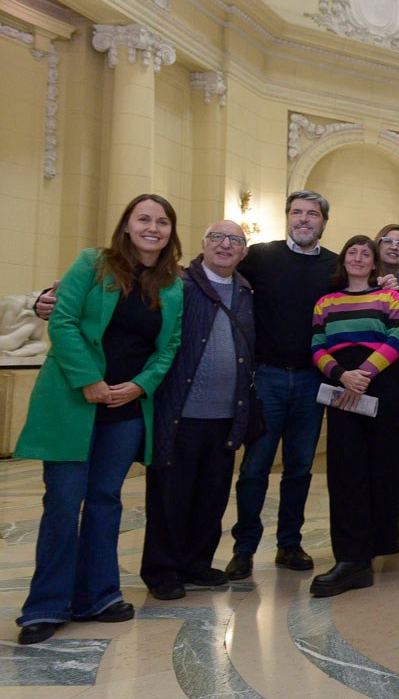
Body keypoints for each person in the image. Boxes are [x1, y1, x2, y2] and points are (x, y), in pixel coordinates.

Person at [15, 194, 184, 645]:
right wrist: (89, 380)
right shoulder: (94, 263)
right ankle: (45, 606)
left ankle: (99, 595)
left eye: (162, 221)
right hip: (75, 401)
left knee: (107, 501)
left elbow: (168, 348)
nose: (153, 227)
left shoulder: (172, 284)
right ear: (126, 226)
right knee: (64, 504)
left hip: (125, 408)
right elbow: (64, 320)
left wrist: (140, 385)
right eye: (144, 219)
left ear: (171, 231)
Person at [225, 191, 338, 580]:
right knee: (255, 467)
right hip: (267, 378)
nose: (303, 219)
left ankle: (289, 544)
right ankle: (244, 548)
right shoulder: (260, 255)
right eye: (296, 212)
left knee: (300, 468)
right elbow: (215, 273)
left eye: (312, 214)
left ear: (324, 222)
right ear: (287, 218)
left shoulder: (335, 265)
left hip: (312, 380)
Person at [140, 221, 254, 602]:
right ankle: (163, 570)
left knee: (212, 493)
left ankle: (196, 563)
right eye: (217, 238)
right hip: (181, 411)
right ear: (202, 244)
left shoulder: (246, 290)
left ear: (244, 252)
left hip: (226, 414)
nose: (225, 245)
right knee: (171, 495)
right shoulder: (179, 285)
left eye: (235, 240)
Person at [309, 235, 399, 596]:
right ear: (343, 260)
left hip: (381, 384)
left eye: (366, 253)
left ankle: (376, 547)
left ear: (374, 262)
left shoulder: (389, 297)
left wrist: (363, 372)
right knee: (346, 470)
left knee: (382, 469)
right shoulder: (326, 302)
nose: (358, 257)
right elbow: (317, 345)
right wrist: (342, 375)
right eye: (352, 251)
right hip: (341, 388)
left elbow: (397, 337)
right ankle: (351, 557)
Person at [375, 222, 399, 551]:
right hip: (363, 380)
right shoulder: (357, 279)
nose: (393, 246)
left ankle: (390, 526)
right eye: (387, 241)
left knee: (397, 459)